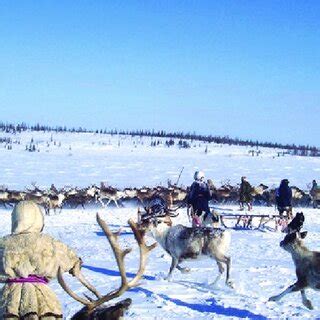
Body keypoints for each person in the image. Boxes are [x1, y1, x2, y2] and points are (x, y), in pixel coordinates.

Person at [0, 201, 82, 319]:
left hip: (9, 299)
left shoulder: (3, 244)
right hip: (42, 299)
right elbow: (70, 259)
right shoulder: (48, 243)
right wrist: (75, 265)